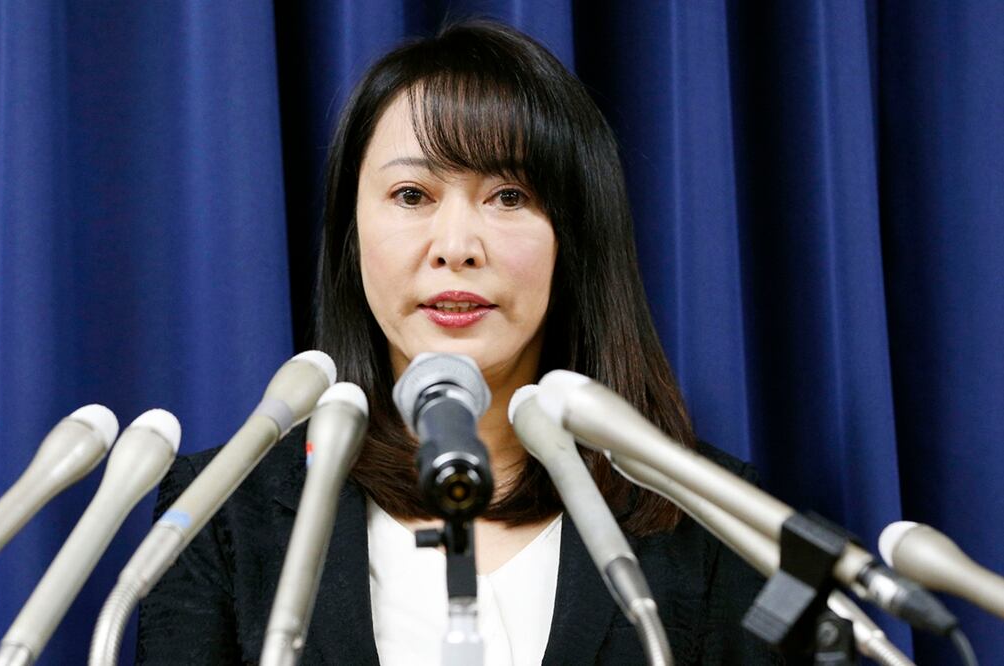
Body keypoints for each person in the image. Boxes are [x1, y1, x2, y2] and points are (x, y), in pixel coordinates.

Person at [136, 20, 779, 665]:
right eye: (411, 194)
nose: (455, 248)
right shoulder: (221, 516)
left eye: (508, 196)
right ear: (352, 234)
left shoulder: (714, 523)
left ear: (574, 237)